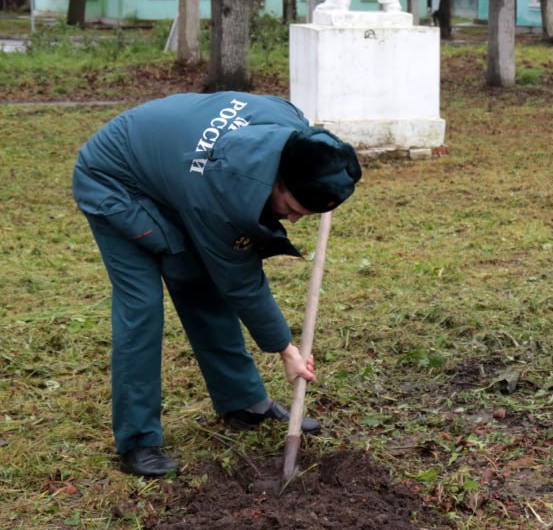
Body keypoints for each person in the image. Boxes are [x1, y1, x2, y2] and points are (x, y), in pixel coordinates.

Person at [72, 93, 363, 477]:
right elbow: (242, 283)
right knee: (141, 307)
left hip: (171, 173)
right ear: (276, 179)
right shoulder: (224, 200)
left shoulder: (293, 130)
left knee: (199, 281)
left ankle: (243, 402)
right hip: (114, 179)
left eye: (305, 215)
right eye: (292, 209)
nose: (293, 220)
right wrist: (285, 349)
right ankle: (138, 440)